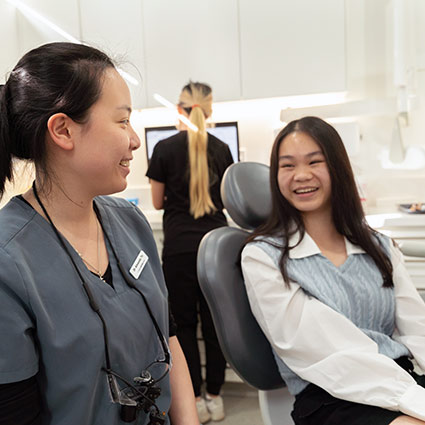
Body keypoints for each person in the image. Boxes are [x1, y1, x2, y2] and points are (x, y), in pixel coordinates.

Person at [0, 42, 200, 425]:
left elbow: (169, 340)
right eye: (122, 121)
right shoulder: (10, 260)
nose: (135, 140)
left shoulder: (130, 222)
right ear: (63, 130)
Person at [241, 116, 425, 425]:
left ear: (337, 168)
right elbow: (328, 352)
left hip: (399, 379)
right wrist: (413, 399)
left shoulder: (379, 246)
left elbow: (417, 326)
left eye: (315, 161)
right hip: (331, 397)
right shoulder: (263, 257)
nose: (301, 175)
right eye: (287, 166)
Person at [146, 82, 234, 423]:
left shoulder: (164, 149)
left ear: (179, 110)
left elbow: (157, 202)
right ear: (209, 111)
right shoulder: (223, 148)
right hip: (218, 252)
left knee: (183, 328)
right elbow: (227, 200)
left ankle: (194, 399)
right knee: (216, 327)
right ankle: (215, 395)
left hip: (180, 250)